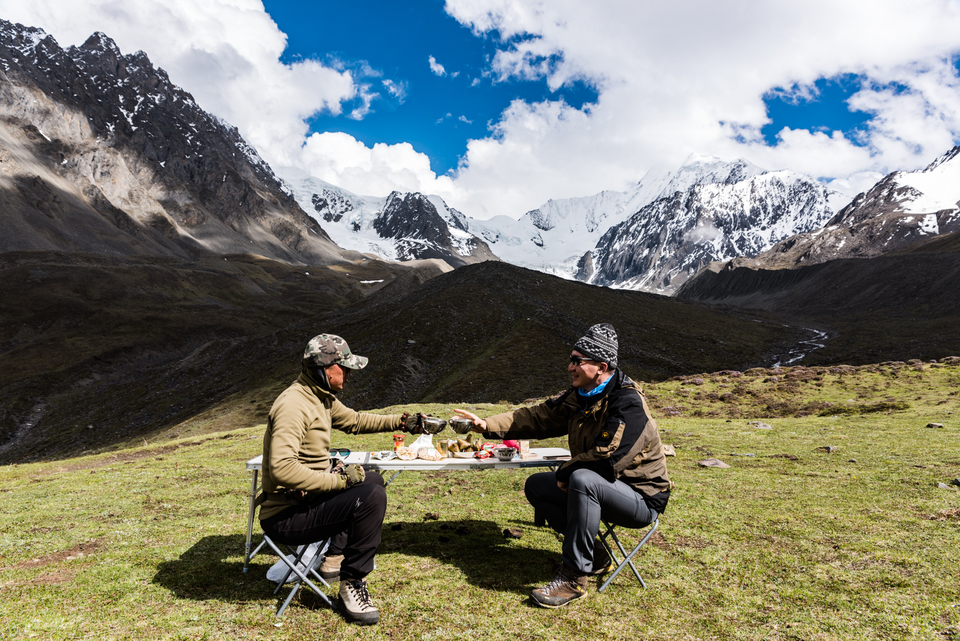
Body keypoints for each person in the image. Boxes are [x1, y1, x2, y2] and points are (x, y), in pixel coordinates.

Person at [455, 323, 671, 608]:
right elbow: (540, 417)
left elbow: (608, 460)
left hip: (641, 497)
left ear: (601, 366)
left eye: (576, 361)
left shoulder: (627, 403)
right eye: (571, 359)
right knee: (537, 486)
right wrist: (487, 425)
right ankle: (595, 557)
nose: (569, 367)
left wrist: (566, 471)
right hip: (601, 488)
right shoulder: (580, 395)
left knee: (583, 478)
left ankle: (573, 579)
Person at [258, 333, 421, 625]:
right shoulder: (294, 405)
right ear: (323, 367)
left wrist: (402, 421)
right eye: (343, 367)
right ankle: (352, 583)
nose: (348, 374)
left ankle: (334, 557)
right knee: (370, 496)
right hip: (285, 515)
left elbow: (355, 421)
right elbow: (282, 468)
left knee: (372, 481)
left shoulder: (320, 397)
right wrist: (340, 481)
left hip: (306, 504)